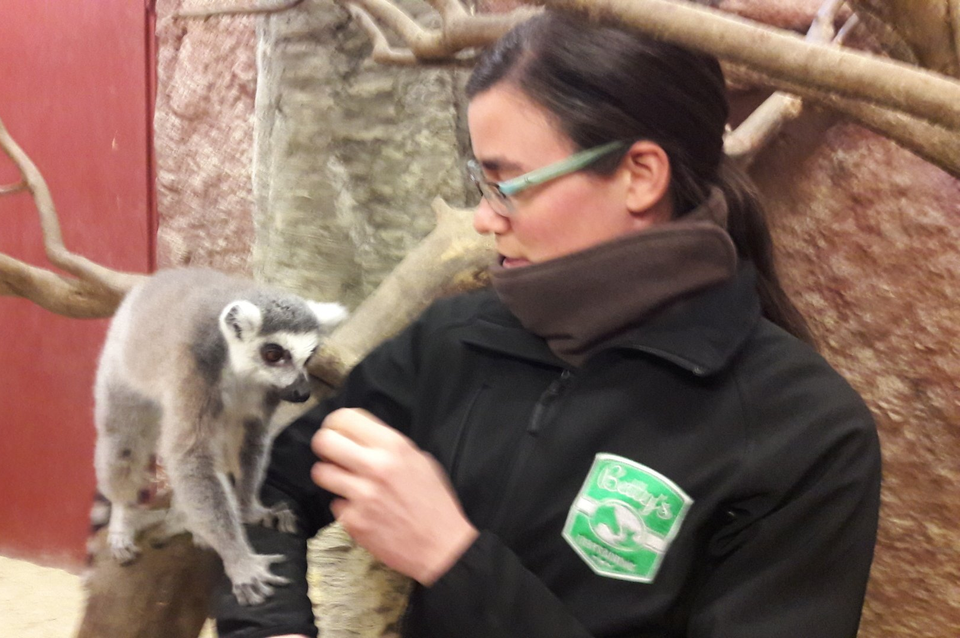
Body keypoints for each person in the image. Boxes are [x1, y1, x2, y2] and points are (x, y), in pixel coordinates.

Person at [214, 11, 881, 638]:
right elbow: (263, 485)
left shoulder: (806, 432)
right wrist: (268, 625)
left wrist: (452, 557)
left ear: (640, 175)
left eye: (507, 184)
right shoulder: (457, 339)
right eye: (483, 182)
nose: (484, 218)